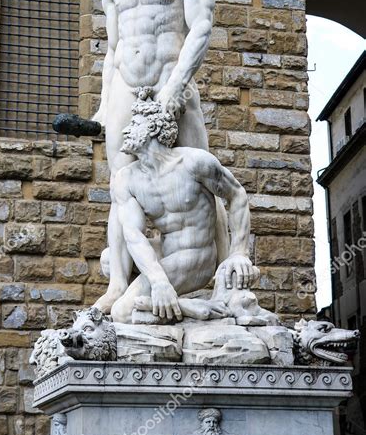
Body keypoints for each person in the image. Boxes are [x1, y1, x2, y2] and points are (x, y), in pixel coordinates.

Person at [93, 0, 228, 313]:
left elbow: (201, 29)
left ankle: (224, 273)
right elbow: (112, 50)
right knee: (121, 183)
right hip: (124, 90)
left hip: (175, 81)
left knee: (203, 177)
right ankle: (117, 283)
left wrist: (174, 90)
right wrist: (101, 104)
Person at [109, 89, 256, 324]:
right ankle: (189, 307)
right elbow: (133, 235)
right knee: (110, 259)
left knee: (122, 312)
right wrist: (159, 282)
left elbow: (236, 194)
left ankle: (166, 302)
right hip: (166, 251)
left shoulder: (194, 163)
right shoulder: (126, 178)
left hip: (195, 256)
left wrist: (239, 253)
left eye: (133, 124)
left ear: (153, 128)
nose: (125, 130)